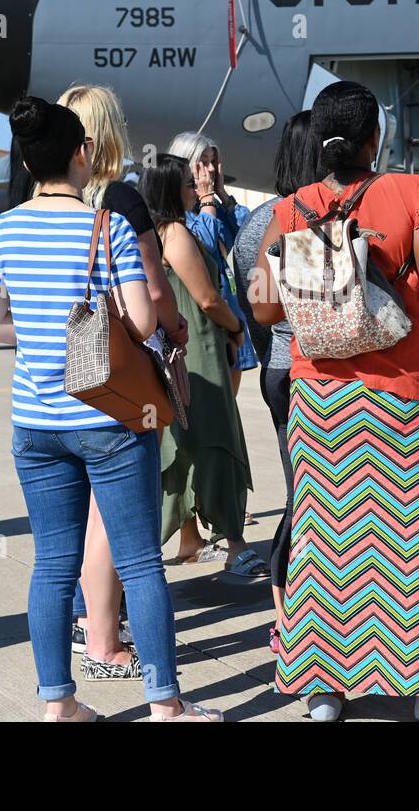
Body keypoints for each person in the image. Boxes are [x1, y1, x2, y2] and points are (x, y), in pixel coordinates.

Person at [0, 96, 220, 721]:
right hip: (109, 416)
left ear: (30, 163)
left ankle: (59, 703)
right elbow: (140, 320)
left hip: (35, 421)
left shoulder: (4, 228)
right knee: (140, 561)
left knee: (53, 564)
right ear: (82, 155)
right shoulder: (103, 225)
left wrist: (41, 336)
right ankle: (166, 705)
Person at [250, 81, 419, 722]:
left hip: (320, 400)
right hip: (404, 395)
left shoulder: (292, 209)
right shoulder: (414, 194)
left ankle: (325, 693)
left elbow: (265, 307)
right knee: (417, 541)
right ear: (375, 137)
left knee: (326, 546)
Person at [56, 84, 188, 680]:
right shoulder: (122, 199)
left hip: (67, 367)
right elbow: (154, 291)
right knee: (120, 505)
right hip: (124, 367)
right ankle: (104, 640)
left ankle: (90, 617)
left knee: (85, 508)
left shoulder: (51, 201)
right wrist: (177, 327)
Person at [138, 155, 264, 579]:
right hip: (201, 350)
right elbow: (208, 298)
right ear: (171, 189)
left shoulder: (148, 233)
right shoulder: (175, 233)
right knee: (218, 441)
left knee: (181, 446)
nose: (196, 188)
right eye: (188, 183)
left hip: (174, 352)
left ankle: (188, 538)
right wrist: (238, 327)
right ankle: (235, 543)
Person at [231, 110, 321, 650]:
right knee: (318, 501)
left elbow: (253, 305)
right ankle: (306, 612)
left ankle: (285, 611)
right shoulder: (313, 221)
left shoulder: (254, 225)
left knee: (300, 492)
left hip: (277, 369)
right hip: (317, 369)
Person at [167, 132, 258, 396]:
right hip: (204, 327)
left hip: (230, 316)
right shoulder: (178, 216)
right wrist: (207, 201)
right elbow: (205, 249)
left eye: (212, 163)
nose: (209, 170)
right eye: (202, 162)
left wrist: (222, 194)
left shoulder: (213, 205)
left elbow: (248, 232)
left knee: (229, 411)